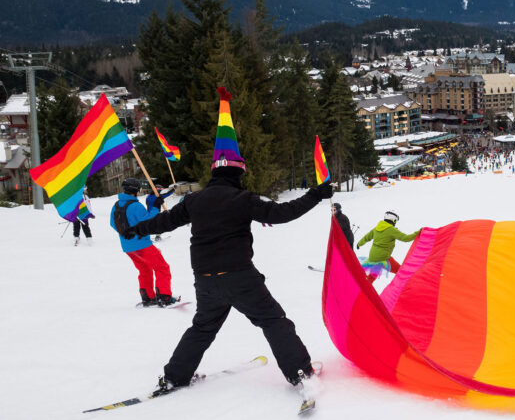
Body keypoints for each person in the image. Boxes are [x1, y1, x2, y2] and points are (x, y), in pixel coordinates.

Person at [121, 87, 334, 392]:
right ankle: (299, 372)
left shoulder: (196, 200)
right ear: (238, 173)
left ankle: (174, 376)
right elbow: (284, 213)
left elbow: (164, 222)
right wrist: (316, 194)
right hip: (239, 277)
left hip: (205, 280)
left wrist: (135, 229)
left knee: (203, 327)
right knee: (274, 321)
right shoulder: (242, 199)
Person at [110, 177, 175, 307]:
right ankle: (164, 296)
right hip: (142, 245)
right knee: (162, 267)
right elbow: (149, 222)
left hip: (128, 247)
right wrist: (156, 206)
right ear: (136, 190)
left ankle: (148, 297)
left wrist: (125, 233)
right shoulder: (135, 206)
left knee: (145, 270)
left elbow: (113, 223)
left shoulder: (116, 205)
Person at [356, 211, 420, 279]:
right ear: (394, 220)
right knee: (400, 271)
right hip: (383, 258)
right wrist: (418, 232)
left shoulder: (377, 228)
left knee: (372, 276)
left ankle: (362, 287)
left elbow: (367, 237)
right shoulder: (392, 230)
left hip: (372, 256)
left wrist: (359, 244)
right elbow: (406, 238)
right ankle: (407, 284)